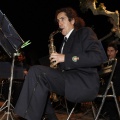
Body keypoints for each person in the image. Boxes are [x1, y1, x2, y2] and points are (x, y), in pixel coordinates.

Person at [14, 7, 107, 120]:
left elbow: (97, 57)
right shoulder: (64, 42)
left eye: (62, 19)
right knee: (36, 76)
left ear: (72, 21)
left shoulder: (84, 32)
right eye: (58, 21)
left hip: (83, 83)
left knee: (37, 72)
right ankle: (51, 117)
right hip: (68, 80)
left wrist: (65, 58)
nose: (59, 23)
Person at [101, 41, 120, 120]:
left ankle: (113, 115)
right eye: (108, 51)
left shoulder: (118, 62)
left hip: (116, 86)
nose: (109, 53)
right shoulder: (105, 62)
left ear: (116, 52)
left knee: (109, 94)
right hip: (108, 86)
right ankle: (105, 112)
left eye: (112, 51)